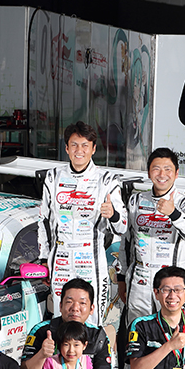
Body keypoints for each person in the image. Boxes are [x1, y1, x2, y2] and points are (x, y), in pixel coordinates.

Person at [118, 147, 185, 369]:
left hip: (172, 283)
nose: (161, 174)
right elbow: (126, 242)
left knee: (174, 334)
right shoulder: (136, 200)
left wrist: (174, 213)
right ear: (148, 172)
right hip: (140, 280)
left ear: (176, 173)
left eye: (167, 169)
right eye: (156, 168)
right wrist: (122, 278)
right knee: (136, 334)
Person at [38, 121, 127, 325]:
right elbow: (43, 221)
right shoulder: (53, 177)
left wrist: (113, 214)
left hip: (92, 261)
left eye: (85, 145)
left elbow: (122, 226)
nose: (79, 150)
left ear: (93, 149)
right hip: (60, 260)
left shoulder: (107, 180)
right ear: (67, 148)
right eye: (74, 145)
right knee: (62, 320)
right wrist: (44, 258)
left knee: (92, 322)